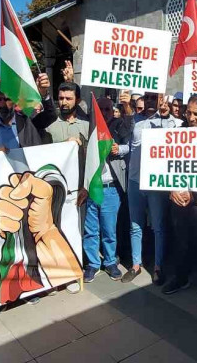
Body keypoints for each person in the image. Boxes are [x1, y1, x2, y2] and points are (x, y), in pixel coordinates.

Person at [161, 94, 197, 303]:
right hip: (179, 199)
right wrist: (172, 189)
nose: (191, 117)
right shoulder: (178, 134)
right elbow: (167, 166)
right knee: (181, 241)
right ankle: (180, 277)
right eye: (189, 113)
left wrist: (194, 194)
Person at [121, 92, 181, 283]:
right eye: (146, 98)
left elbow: (175, 137)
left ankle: (158, 266)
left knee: (158, 226)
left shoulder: (169, 121)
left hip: (156, 182)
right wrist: (127, 110)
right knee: (135, 224)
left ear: (160, 99)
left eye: (153, 98)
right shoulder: (134, 120)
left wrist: (164, 116)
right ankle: (136, 264)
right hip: (134, 181)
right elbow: (124, 136)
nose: (149, 101)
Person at [83, 96, 130, 283]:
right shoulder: (89, 128)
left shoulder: (119, 125)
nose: (104, 113)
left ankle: (110, 261)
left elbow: (132, 141)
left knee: (109, 229)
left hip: (111, 189)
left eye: (107, 109)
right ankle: (93, 264)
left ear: (113, 110)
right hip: (91, 188)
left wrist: (121, 149)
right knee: (91, 230)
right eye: (100, 110)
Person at [0, 83, 50, 151]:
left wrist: (44, 95)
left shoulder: (28, 123)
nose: (2, 104)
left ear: (15, 102)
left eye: (7, 99)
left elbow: (50, 115)